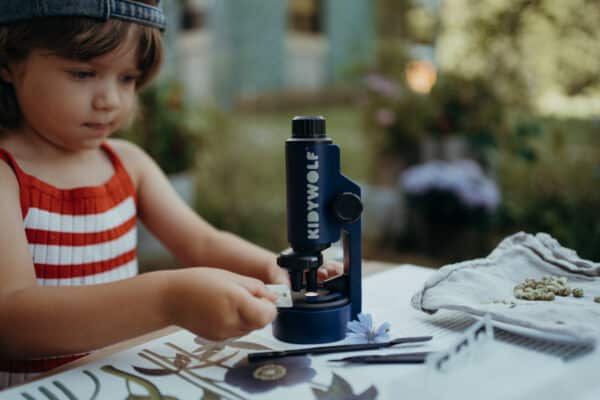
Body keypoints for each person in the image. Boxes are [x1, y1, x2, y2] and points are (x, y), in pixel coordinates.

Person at [0, 0, 340, 388]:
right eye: (83, 72)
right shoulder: (6, 176)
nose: (110, 99)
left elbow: (202, 240)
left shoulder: (128, 164)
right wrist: (167, 298)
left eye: (127, 78)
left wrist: (270, 267)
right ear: (9, 63)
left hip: (118, 382)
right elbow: (11, 320)